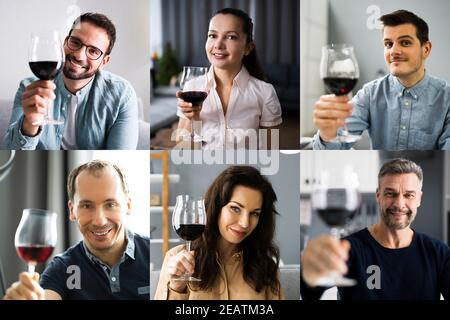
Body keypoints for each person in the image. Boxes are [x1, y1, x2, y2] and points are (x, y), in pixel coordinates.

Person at [300, 158, 450, 299]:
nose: (399, 203)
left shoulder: (439, 253)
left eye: (409, 195)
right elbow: (309, 290)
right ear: (378, 195)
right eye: (390, 193)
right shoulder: (348, 249)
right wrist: (309, 275)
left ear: (419, 199)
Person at [3, 160, 149, 299]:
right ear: (72, 211)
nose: (99, 220)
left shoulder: (153, 252)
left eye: (110, 204)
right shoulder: (61, 269)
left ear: (128, 206)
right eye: (87, 206)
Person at [312, 10, 450, 150]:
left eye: (405, 42)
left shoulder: (447, 98)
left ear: (425, 49)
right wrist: (326, 134)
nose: (394, 51)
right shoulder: (370, 93)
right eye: (388, 44)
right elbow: (336, 145)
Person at [2, 13, 139, 150]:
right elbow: (8, 156)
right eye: (75, 42)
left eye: (93, 51)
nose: (79, 55)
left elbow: (121, 159)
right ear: (65, 42)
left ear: (104, 61)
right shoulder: (29, 88)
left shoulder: (122, 95)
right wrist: (29, 125)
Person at [154, 166, 284, 299]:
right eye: (235, 208)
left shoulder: (266, 268)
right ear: (216, 207)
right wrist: (176, 288)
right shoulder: (176, 258)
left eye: (254, 213)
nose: (245, 223)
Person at [175, 8, 282, 150]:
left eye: (231, 37)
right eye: (212, 35)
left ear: (248, 48)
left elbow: (271, 150)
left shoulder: (265, 92)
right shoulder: (192, 87)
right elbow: (181, 148)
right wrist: (193, 119)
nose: (218, 45)